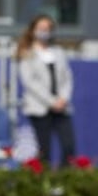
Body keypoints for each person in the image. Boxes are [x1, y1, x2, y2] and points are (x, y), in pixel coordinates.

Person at [16, 14, 76, 165]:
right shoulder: (27, 53)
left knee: (68, 146)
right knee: (44, 150)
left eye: (48, 28)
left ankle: (64, 180)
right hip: (39, 108)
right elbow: (30, 82)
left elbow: (66, 77)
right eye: (41, 28)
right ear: (33, 30)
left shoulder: (58, 52)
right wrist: (51, 101)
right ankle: (44, 182)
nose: (44, 31)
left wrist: (63, 98)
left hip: (61, 108)